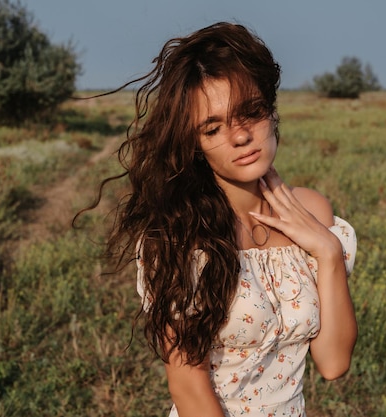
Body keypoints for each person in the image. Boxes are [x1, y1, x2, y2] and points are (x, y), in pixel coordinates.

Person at [80, 22, 357, 417]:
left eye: (251, 112)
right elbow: (187, 386)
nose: (241, 136)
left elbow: (333, 363)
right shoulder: (178, 234)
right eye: (213, 127)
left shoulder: (314, 213)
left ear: (272, 111)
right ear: (195, 144)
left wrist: (328, 252)